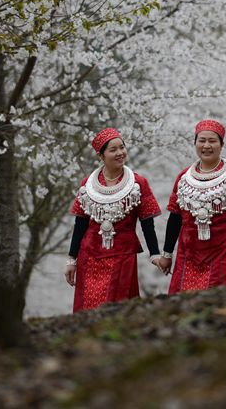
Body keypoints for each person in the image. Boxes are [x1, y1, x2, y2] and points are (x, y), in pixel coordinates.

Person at [155, 119, 226, 292]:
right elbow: (175, 218)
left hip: (224, 248)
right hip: (189, 250)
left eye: (212, 141)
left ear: (222, 144)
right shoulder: (183, 177)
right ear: (195, 143)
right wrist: (167, 254)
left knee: (216, 298)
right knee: (183, 300)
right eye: (202, 140)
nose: (206, 145)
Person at [65, 128, 162, 312]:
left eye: (122, 147)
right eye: (113, 150)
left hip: (122, 255)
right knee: (87, 309)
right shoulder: (88, 184)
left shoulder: (138, 183)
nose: (120, 153)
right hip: (90, 256)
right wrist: (72, 260)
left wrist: (155, 254)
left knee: (116, 309)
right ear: (100, 155)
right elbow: (80, 224)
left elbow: (147, 223)